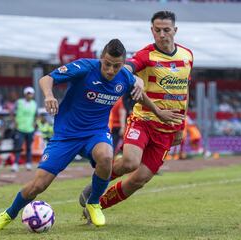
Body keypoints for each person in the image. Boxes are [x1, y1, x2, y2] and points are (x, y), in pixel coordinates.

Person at [0, 39, 145, 230]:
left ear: (123, 64)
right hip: (66, 136)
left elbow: (137, 83)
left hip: (96, 133)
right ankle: (8, 214)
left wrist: (149, 96)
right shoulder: (85, 67)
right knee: (39, 185)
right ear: (101, 58)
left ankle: (93, 202)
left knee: (106, 157)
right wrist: (49, 95)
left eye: (117, 66)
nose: (111, 70)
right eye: (107, 64)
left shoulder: (124, 77)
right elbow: (46, 79)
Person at [79, 11, 192, 211]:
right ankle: (97, 184)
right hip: (143, 121)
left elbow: (184, 91)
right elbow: (126, 69)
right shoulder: (145, 55)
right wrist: (135, 78)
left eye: (167, 30)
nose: (162, 34)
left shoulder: (187, 56)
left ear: (175, 30)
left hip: (167, 130)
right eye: (157, 30)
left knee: (139, 179)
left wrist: (181, 126)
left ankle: (96, 207)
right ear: (152, 30)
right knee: (130, 162)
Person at [11, 86, 37, 172]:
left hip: (30, 129)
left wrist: (34, 124)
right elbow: (13, 113)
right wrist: (15, 123)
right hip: (20, 128)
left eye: (31, 94)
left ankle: (28, 163)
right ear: (25, 94)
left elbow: (36, 115)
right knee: (18, 147)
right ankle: (15, 164)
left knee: (29, 147)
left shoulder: (34, 103)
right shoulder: (19, 102)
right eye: (28, 93)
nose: (30, 95)